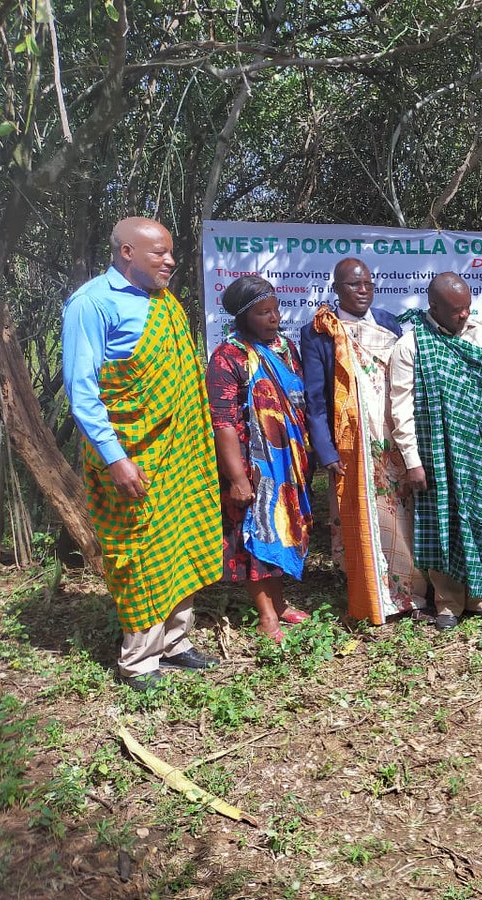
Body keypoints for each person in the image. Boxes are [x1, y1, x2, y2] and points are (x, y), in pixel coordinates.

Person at [62, 217, 222, 691]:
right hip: (133, 457)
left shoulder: (163, 301)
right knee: (140, 551)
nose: (171, 261)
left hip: (180, 454)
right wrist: (115, 458)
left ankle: (175, 642)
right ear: (126, 252)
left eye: (171, 252)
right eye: (160, 253)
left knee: (179, 540)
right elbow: (83, 391)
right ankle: (138, 660)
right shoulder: (92, 303)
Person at [301, 257, 426, 624]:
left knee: (402, 517)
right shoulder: (320, 332)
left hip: (393, 438)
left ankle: (409, 594)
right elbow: (316, 396)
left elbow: (407, 383)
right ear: (337, 288)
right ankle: (372, 591)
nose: (363, 291)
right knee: (361, 517)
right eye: (354, 285)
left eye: (368, 284)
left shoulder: (388, 324)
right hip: (352, 444)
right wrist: (326, 451)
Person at [388, 273, 482, 631]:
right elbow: (400, 406)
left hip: (477, 450)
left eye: (468, 307)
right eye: (456, 310)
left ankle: (478, 594)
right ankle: (448, 602)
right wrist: (412, 461)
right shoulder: (411, 344)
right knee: (442, 524)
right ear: (434, 307)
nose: (464, 314)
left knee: (479, 520)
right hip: (435, 451)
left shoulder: (481, 336)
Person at [205, 275, 313, 642]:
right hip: (252, 465)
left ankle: (280, 603)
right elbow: (222, 422)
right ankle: (267, 615)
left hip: (287, 463)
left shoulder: (287, 348)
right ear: (243, 316)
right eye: (264, 313)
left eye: (276, 310)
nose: (274, 318)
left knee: (282, 529)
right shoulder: (228, 356)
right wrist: (237, 478)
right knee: (255, 536)